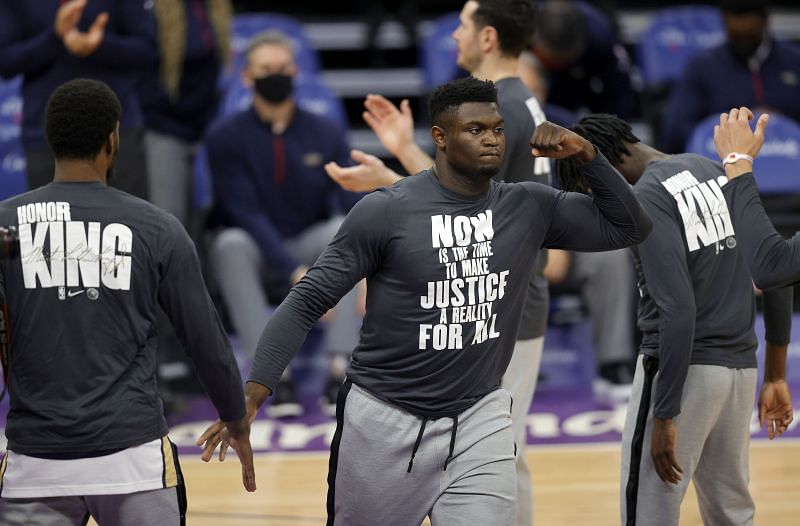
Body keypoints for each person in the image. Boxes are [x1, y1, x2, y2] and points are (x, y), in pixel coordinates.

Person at [200, 77, 652, 525]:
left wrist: (589, 158)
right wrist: (254, 392)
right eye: (476, 130)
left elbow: (630, 227)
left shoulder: (529, 206)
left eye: (497, 128)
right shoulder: (386, 210)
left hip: (481, 419)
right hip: (384, 422)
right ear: (440, 137)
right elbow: (306, 301)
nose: (492, 139)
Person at [328, 2, 552, 523]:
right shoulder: (519, 102)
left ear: (489, 37)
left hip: (499, 306)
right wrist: (403, 159)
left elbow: (471, 214)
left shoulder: (500, 107)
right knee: (501, 454)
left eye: (464, 25)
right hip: (506, 302)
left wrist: (391, 182)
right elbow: (466, 196)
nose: (454, 35)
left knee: (495, 456)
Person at [0, 79, 255, 525]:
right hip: (134, 463)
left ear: (49, 138)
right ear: (113, 137)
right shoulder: (157, 227)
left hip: (34, 465)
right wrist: (235, 418)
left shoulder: (4, 224)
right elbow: (205, 342)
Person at [555, 113, 793, 525]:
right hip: (738, 372)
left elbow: (676, 309)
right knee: (732, 512)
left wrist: (664, 414)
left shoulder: (645, 198)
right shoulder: (715, 169)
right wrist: (775, 374)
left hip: (682, 374)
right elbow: (776, 270)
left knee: (648, 513)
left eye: (592, 189)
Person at [204, 31, 363, 418]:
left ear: (296, 72)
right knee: (229, 244)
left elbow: (347, 201)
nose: (275, 75)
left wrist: (372, 262)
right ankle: (275, 375)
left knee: (349, 232)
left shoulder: (323, 130)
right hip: (260, 247)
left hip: (307, 239)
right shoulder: (225, 137)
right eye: (265, 69)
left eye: (282, 68)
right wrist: (294, 272)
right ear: (247, 77)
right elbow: (244, 211)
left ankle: (340, 369)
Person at [0, 0, 156, 199]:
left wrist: (100, 45)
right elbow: (6, 61)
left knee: (130, 225)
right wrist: (55, 36)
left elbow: (146, 48)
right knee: (53, 228)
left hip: (115, 130)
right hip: (46, 134)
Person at [661, 0, 800, 153]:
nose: (743, 43)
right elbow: (677, 130)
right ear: (725, 22)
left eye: (749, 36)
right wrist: (726, 130)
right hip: (722, 163)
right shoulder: (702, 66)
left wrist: (782, 127)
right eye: (736, 37)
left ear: (765, 20)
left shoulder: (795, 61)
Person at [140, 0, 232, 228]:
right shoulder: (151, 10)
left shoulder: (214, 7)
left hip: (205, 127)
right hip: (163, 125)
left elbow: (217, 67)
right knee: (169, 222)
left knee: (201, 223)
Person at [530, 1, 637, 118]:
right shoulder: (518, 27)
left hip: (580, 85)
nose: (558, 65)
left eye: (563, 61)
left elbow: (619, 93)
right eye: (552, 61)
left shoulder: (600, 36)